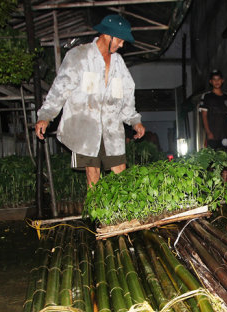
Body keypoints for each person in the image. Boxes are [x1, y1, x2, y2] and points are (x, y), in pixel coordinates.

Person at [35, 14, 145, 187]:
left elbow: (126, 95)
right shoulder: (79, 56)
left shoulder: (118, 63)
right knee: (92, 174)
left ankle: (125, 214)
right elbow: (60, 88)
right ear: (108, 35)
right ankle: (96, 212)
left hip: (111, 128)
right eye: (120, 40)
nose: (122, 44)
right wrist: (46, 115)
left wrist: (134, 121)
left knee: (121, 172)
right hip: (86, 128)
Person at [199, 69, 227, 154]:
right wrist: (208, 132)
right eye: (214, 79)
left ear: (222, 81)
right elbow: (204, 116)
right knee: (211, 162)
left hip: (226, 135)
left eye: (218, 79)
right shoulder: (207, 96)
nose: (216, 81)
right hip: (213, 136)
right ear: (211, 82)